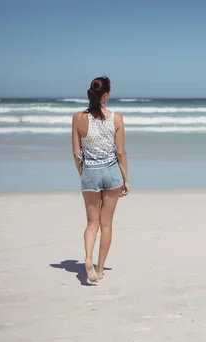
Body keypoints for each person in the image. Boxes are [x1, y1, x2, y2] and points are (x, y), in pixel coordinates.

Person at [71, 76, 129, 283]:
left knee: (91, 223)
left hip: (90, 174)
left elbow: (76, 152)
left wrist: (84, 174)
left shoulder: (78, 118)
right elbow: (120, 153)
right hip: (112, 173)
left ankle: (87, 258)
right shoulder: (117, 118)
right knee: (106, 224)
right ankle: (100, 269)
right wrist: (126, 179)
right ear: (107, 94)